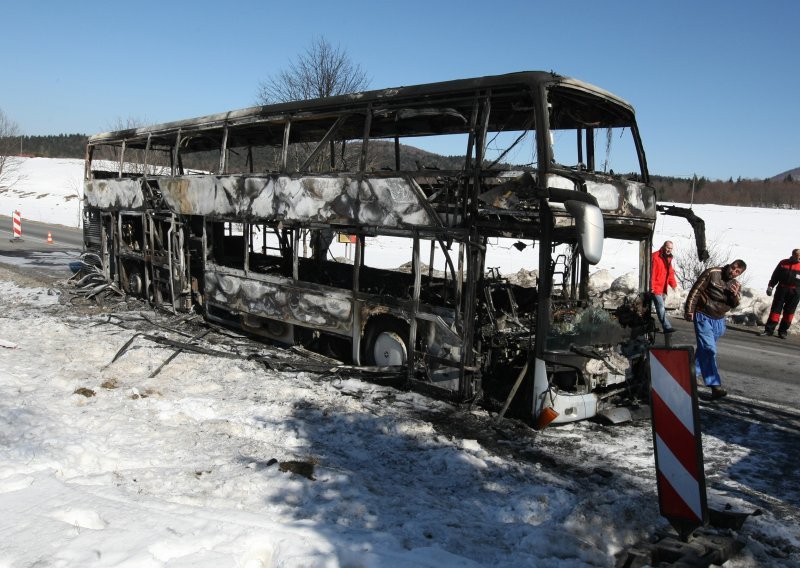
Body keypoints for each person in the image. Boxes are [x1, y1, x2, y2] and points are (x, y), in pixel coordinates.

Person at [684, 259, 747, 400]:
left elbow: (734, 304)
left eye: (737, 271)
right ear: (730, 265)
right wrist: (689, 309)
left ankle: (688, 376)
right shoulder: (712, 273)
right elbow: (696, 290)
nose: (733, 272)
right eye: (733, 268)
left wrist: (734, 294)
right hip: (703, 315)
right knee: (709, 349)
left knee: (704, 350)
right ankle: (714, 385)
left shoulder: (735, 284)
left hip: (719, 320)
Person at [762, 249, 800, 339]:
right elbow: (775, 276)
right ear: (793, 255)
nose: (798, 258)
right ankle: (769, 330)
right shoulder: (783, 263)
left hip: (795, 292)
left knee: (789, 312)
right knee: (775, 310)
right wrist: (770, 286)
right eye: (797, 256)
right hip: (782, 289)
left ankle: (783, 331)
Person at [651, 240, 678, 333]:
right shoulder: (655, 256)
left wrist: (674, 285)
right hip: (655, 288)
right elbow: (652, 273)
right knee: (660, 306)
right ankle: (667, 327)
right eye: (668, 248)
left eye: (671, 248)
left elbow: (670, 273)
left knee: (654, 307)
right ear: (663, 246)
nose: (669, 250)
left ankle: (648, 326)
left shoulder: (668, 258)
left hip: (662, 288)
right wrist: (651, 286)